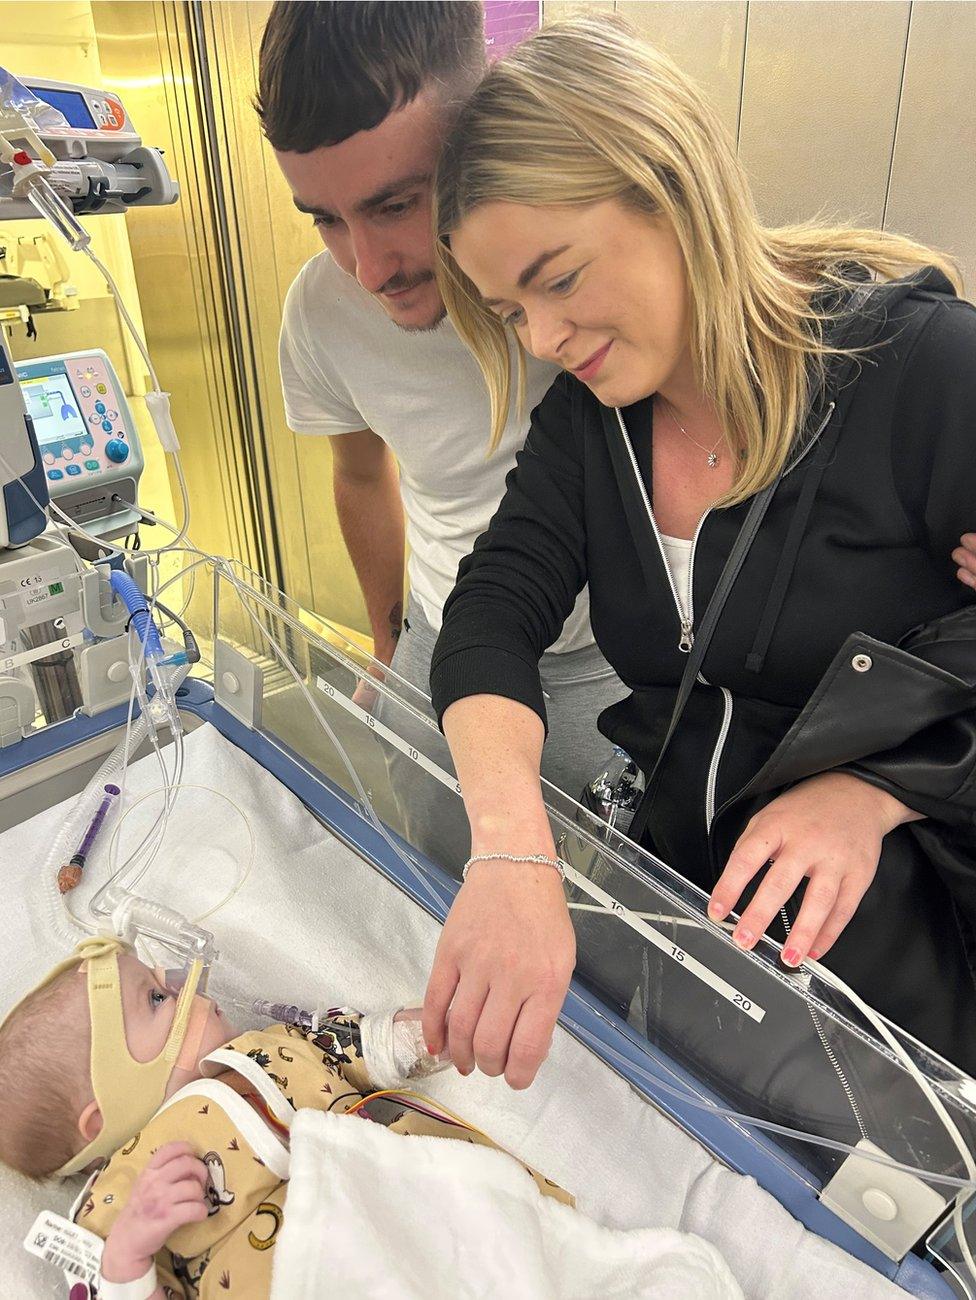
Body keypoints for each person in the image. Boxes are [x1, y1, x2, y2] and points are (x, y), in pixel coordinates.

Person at [420, 16, 976, 1089]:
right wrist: (511, 844)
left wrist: (876, 792)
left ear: (672, 189)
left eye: (559, 278)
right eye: (508, 310)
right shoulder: (594, 428)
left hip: (910, 990)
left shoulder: (920, 372)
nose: (540, 338)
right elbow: (491, 612)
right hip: (704, 945)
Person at [255, 1, 624, 812]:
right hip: (442, 632)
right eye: (325, 218)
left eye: (395, 204)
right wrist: (390, 645)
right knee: (433, 881)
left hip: (616, 655)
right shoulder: (321, 309)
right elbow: (358, 473)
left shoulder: (587, 281)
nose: (368, 268)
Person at [0, 938, 570, 1299]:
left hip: (433, 1207)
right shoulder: (111, 1213)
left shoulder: (267, 1047)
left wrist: (435, 1031)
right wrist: (126, 1264)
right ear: (100, 1119)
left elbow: (357, 1045)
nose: (180, 985)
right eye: (155, 999)